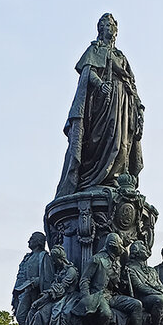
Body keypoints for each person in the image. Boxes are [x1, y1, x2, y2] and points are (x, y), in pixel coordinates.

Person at [56, 13, 144, 197]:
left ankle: (114, 178)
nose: (110, 28)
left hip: (123, 103)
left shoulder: (121, 56)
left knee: (121, 142)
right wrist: (100, 85)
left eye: (112, 26)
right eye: (106, 25)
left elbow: (132, 84)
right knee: (105, 134)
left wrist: (139, 107)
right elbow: (88, 72)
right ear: (100, 29)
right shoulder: (95, 49)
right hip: (103, 101)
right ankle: (93, 178)